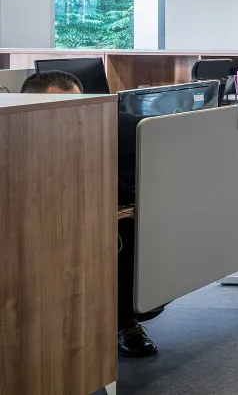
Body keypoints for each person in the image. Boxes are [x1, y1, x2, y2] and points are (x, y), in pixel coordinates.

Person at [21, 70, 162, 357]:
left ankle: (125, 321)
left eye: (78, 105)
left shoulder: (109, 129)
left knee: (131, 237)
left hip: (94, 222)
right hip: (31, 229)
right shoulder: (15, 139)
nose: (70, 116)